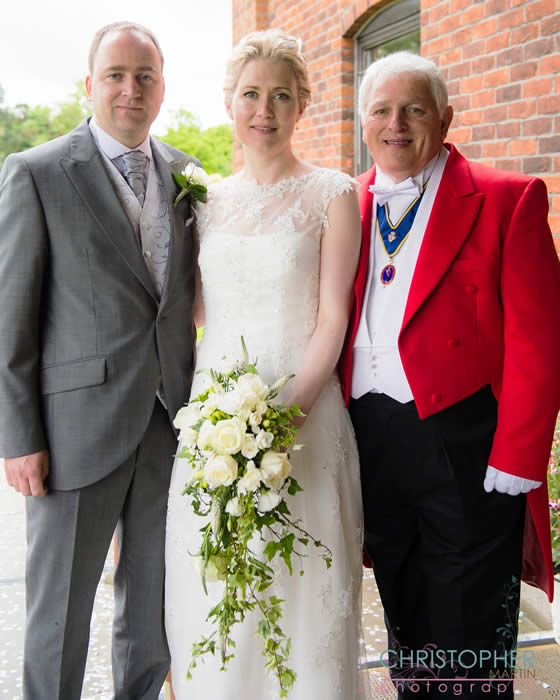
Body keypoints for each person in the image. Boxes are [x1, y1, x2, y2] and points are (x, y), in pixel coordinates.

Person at [339, 51, 560, 697]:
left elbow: (538, 340)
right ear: (362, 121)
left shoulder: (505, 198)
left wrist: (519, 455)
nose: (396, 124)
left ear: (445, 118)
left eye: (414, 109)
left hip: (465, 440)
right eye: (381, 110)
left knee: (470, 622)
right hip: (370, 435)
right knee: (403, 608)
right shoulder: (341, 201)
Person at [165, 29, 366, 700]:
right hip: (215, 428)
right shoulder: (202, 202)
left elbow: (333, 315)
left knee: (301, 596)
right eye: (251, 94)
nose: (265, 110)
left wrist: (285, 416)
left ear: (303, 104)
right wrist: (229, 422)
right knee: (221, 589)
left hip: (304, 423)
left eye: (281, 95)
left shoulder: (334, 193)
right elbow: (193, 312)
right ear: (229, 103)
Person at [0, 21, 198, 700]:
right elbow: (11, 320)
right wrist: (19, 438)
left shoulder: (186, 174)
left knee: (152, 609)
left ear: (162, 87)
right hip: (72, 431)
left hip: (167, 423)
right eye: (116, 75)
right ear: (90, 85)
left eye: (144, 75)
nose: (130, 89)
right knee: (59, 613)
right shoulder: (37, 172)